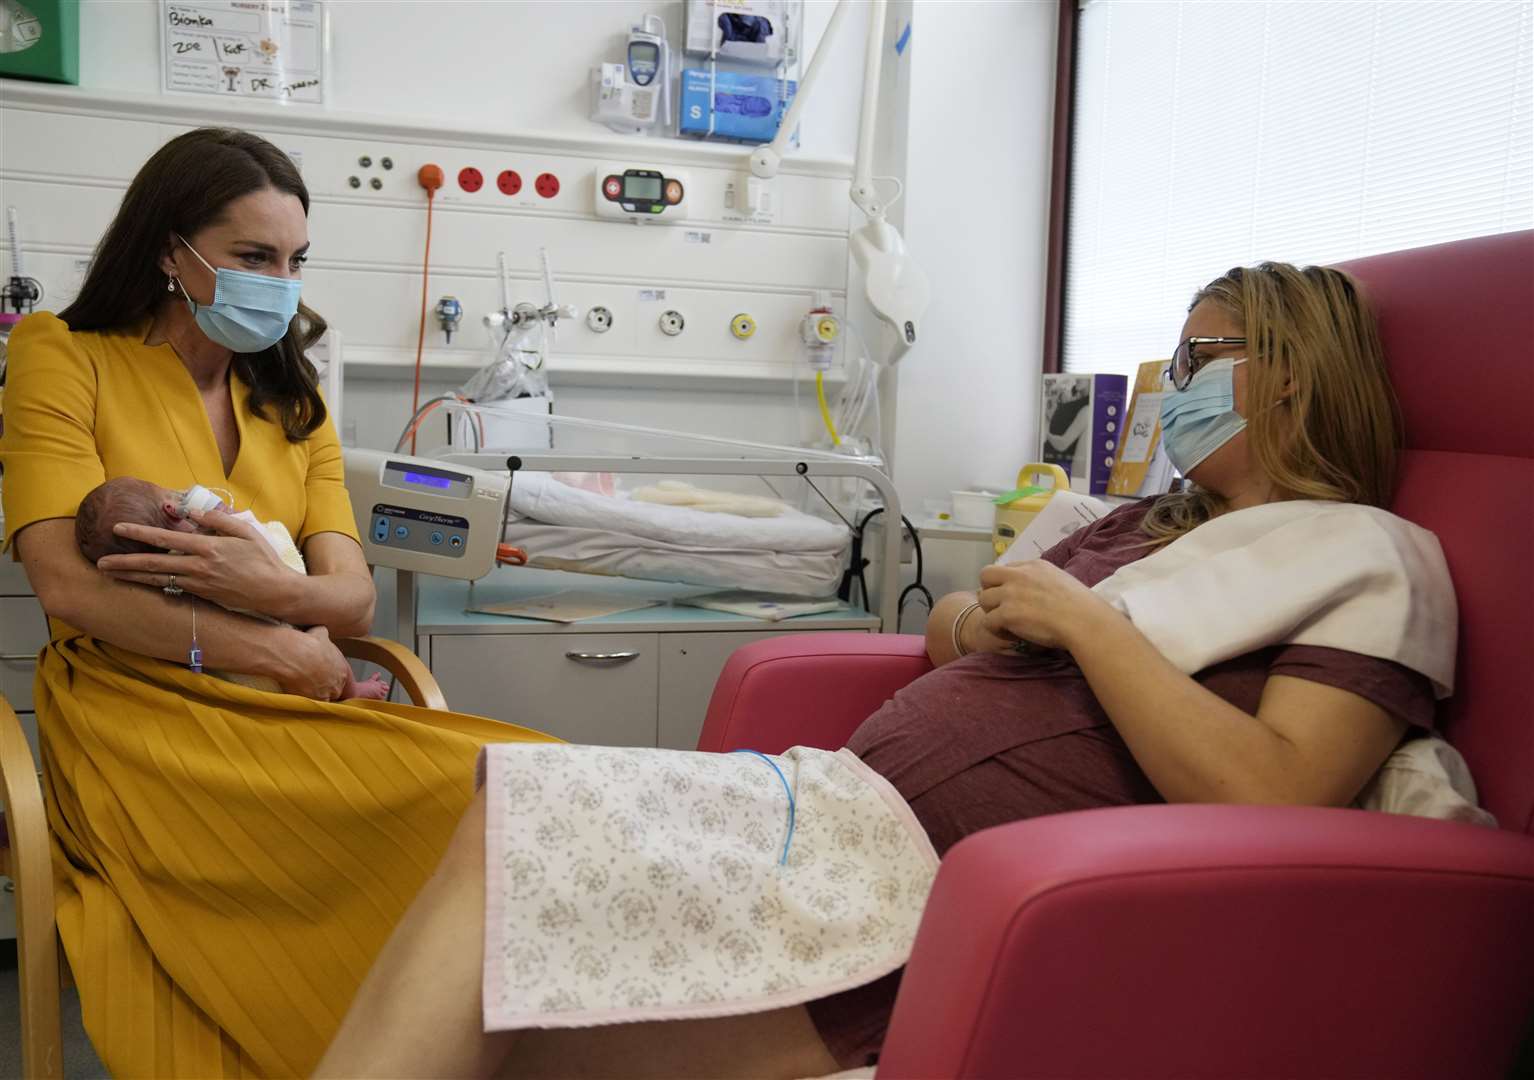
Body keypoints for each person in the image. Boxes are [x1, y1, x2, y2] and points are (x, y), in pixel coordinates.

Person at [315, 260, 1454, 1078]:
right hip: (839, 807)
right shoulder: (1143, 523)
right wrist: (996, 622)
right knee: (507, 948)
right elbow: (957, 617)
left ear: (1295, 374)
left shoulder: (1360, 552)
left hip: (915, 883)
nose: (1178, 380)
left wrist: (1088, 626)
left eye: (1204, 356)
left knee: (517, 841)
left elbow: (1273, 789)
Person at [0, 127, 555, 1078]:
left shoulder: (293, 400)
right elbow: (67, 585)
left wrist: (269, 596)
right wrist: (274, 647)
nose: (280, 281)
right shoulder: (64, 357)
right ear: (170, 249)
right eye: (254, 257)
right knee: (444, 806)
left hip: (300, 690)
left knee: (520, 784)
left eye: (296, 261)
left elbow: (351, 600)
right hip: (140, 714)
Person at [74, 475, 391, 699]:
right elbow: (266, 547)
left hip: (233, 683)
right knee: (322, 640)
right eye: (170, 493)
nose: (180, 492)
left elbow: (358, 607)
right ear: (172, 510)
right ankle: (353, 690)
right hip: (286, 651)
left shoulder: (156, 578)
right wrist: (225, 518)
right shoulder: (207, 544)